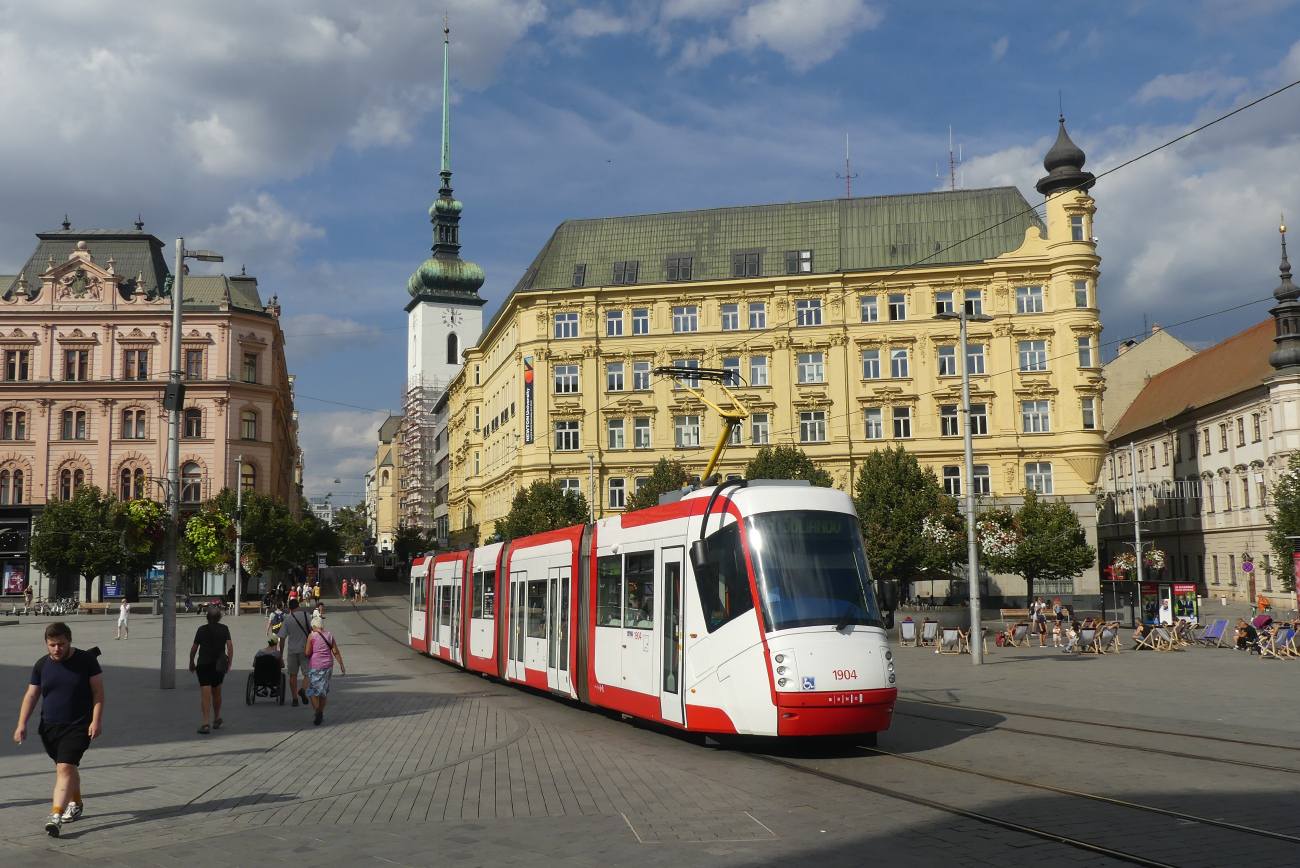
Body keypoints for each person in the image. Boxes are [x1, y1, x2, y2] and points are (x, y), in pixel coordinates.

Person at [13, 622, 104, 837]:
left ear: (69, 641)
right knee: (68, 768)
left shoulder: (86, 661)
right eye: (52, 645)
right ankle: (77, 802)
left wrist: (96, 721)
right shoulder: (42, 665)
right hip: (49, 728)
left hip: (79, 725)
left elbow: (98, 692)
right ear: (46, 643)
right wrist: (21, 724)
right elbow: (32, 695)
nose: (56, 649)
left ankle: (56, 816)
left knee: (64, 768)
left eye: (61, 644)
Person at [188, 605, 233, 735]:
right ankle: (216, 718)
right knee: (217, 691)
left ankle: (206, 722)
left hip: (203, 664)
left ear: (207, 618)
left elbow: (193, 649)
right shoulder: (224, 629)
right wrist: (229, 662)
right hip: (218, 664)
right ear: (219, 617)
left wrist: (191, 662)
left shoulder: (201, 630)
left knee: (205, 693)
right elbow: (229, 645)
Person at [304, 622, 346, 726]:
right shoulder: (329, 635)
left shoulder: (311, 636)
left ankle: (317, 711)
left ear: (314, 626)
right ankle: (321, 712)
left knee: (312, 690)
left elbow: (308, 652)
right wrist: (341, 664)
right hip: (328, 665)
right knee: (323, 689)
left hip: (315, 665)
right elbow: (335, 651)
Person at [278, 598, 314, 707]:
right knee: (307, 673)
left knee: (292, 674)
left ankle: (294, 699)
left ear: (289, 608)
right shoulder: (306, 615)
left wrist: (281, 653)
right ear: (298, 605)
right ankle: (303, 689)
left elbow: (282, 638)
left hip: (292, 650)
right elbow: (314, 629)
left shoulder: (287, 620)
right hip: (305, 649)